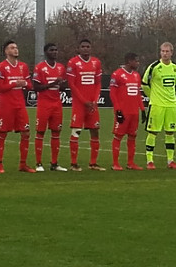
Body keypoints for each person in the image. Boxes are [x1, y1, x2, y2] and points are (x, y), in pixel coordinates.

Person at [0, 40, 34, 174]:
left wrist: (24, 84)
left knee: (26, 133)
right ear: (6, 51)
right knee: (2, 133)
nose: (15, 50)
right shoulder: (1, 67)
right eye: (12, 48)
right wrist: (14, 83)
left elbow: (29, 85)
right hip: (7, 106)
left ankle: (23, 164)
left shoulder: (23, 66)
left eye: (16, 47)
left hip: (20, 105)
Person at [142, 42, 176, 170]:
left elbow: (175, 86)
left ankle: (170, 161)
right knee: (153, 132)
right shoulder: (154, 67)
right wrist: (152, 97)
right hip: (157, 105)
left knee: (170, 132)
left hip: (171, 105)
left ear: (172, 52)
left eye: (167, 51)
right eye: (163, 51)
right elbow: (144, 84)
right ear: (160, 52)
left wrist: (170, 98)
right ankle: (149, 160)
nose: (165, 54)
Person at [66, 39, 105, 172]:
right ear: (79, 48)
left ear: (91, 48)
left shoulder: (96, 62)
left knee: (95, 131)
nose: (85, 49)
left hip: (92, 104)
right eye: (83, 46)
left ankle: (93, 163)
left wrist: (94, 100)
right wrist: (84, 101)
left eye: (88, 46)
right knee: (76, 131)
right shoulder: (73, 63)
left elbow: (98, 83)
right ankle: (74, 163)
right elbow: (72, 85)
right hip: (79, 104)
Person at [33, 42, 69, 172]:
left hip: (57, 104)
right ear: (46, 52)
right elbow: (36, 87)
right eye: (51, 50)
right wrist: (53, 83)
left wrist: (62, 84)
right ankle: (38, 163)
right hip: (44, 104)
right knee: (40, 132)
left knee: (56, 133)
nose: (54, 52)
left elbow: (63, 86)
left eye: (56, 50)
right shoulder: (40, 68)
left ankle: (54, 163)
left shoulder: (60, 67)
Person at [109, 52, 145, 171]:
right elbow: (113, 94)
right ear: (129, 61)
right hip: (123, 112)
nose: (138, 63)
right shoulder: (117, 74)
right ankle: (115, 163)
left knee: (132, 137)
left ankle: (130, 163)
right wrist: (118, 110)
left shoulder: (136, 75)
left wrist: (143, 110)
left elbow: (138, 94)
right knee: (118, 136)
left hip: (134, 112)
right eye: (136, 61)